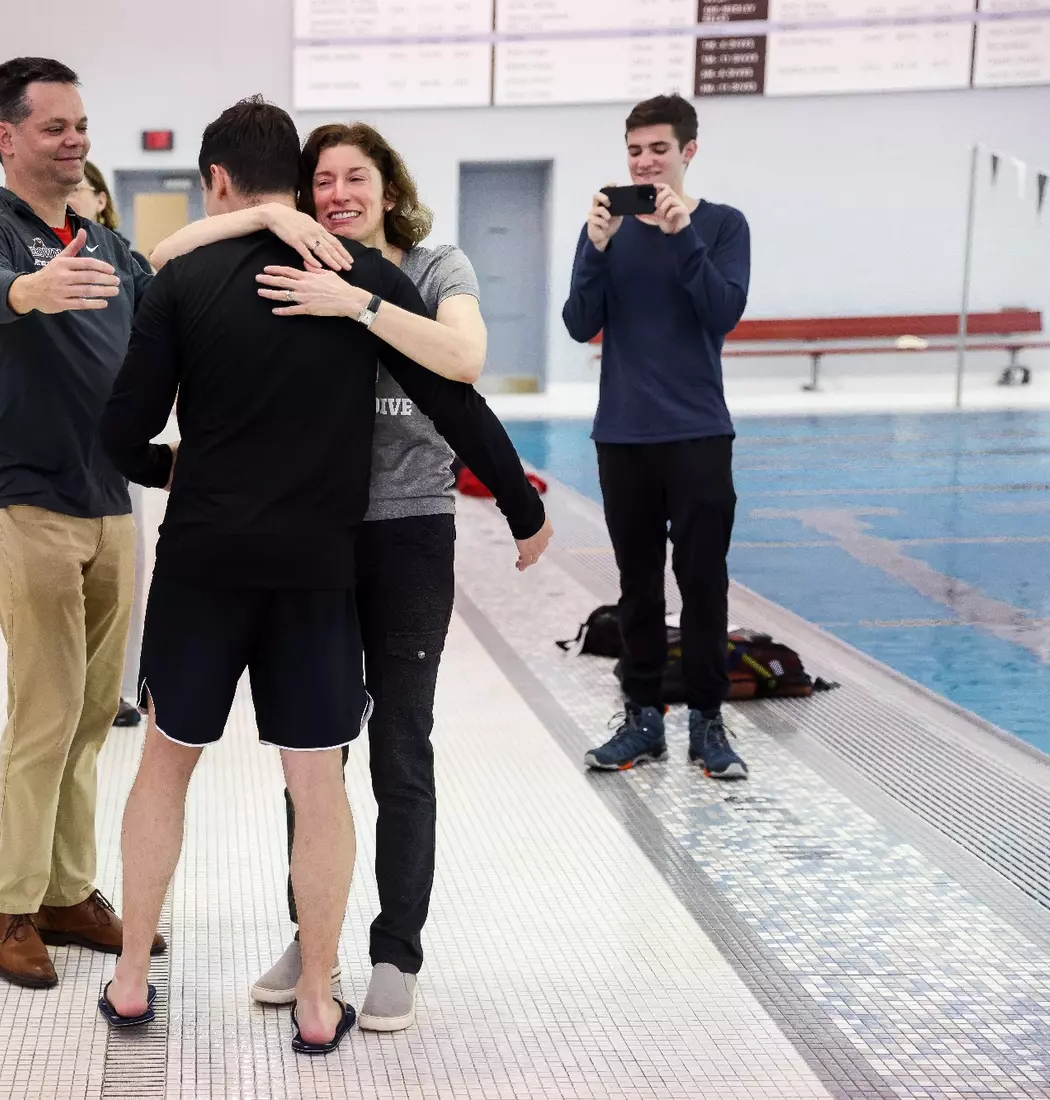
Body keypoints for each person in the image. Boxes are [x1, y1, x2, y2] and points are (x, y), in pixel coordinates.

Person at [98, 97, 546, 1055]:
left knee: (164, 768)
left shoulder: (179, 282)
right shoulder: (362, 278)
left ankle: (132, 981)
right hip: (316, 572)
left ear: (216, 182)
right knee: (319, 783)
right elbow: (457, 402)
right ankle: (315, 996)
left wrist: (168, 467)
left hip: (204, 565)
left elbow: (117, 432)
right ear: (297, 184)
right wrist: (523, 505)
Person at [0, 57, 160, 991]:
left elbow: (174, 305)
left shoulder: (108, 248)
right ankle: (6, 903)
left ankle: (68, 889)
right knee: (44, 708)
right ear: (6, 135)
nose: (74, 141)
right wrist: (30, 291)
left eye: (80, 125)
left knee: (88, 715)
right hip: (24, 498)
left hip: (111, 499)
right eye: (53, 127)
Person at [561, 94, 750, 781]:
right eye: (635, 151)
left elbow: (722, 312)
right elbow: (580, 323)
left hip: (698, 431)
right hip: (623, 436)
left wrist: (684, 238)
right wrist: (596, 251)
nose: (644, 162)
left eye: (658, 150)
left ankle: (708, 721)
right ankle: (643, 718)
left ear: (688, 151)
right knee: (637, 584)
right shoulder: (605, 230)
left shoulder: (724, 226)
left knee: (703, 582)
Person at [67, 160, 149, 730]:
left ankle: (121, 685)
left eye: (81, 189)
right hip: (59, 442)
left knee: (125, 576)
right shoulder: (37, 258)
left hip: (118, 437)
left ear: (101, 200)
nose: (71, 198)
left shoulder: (123, 259)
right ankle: (70, 685)